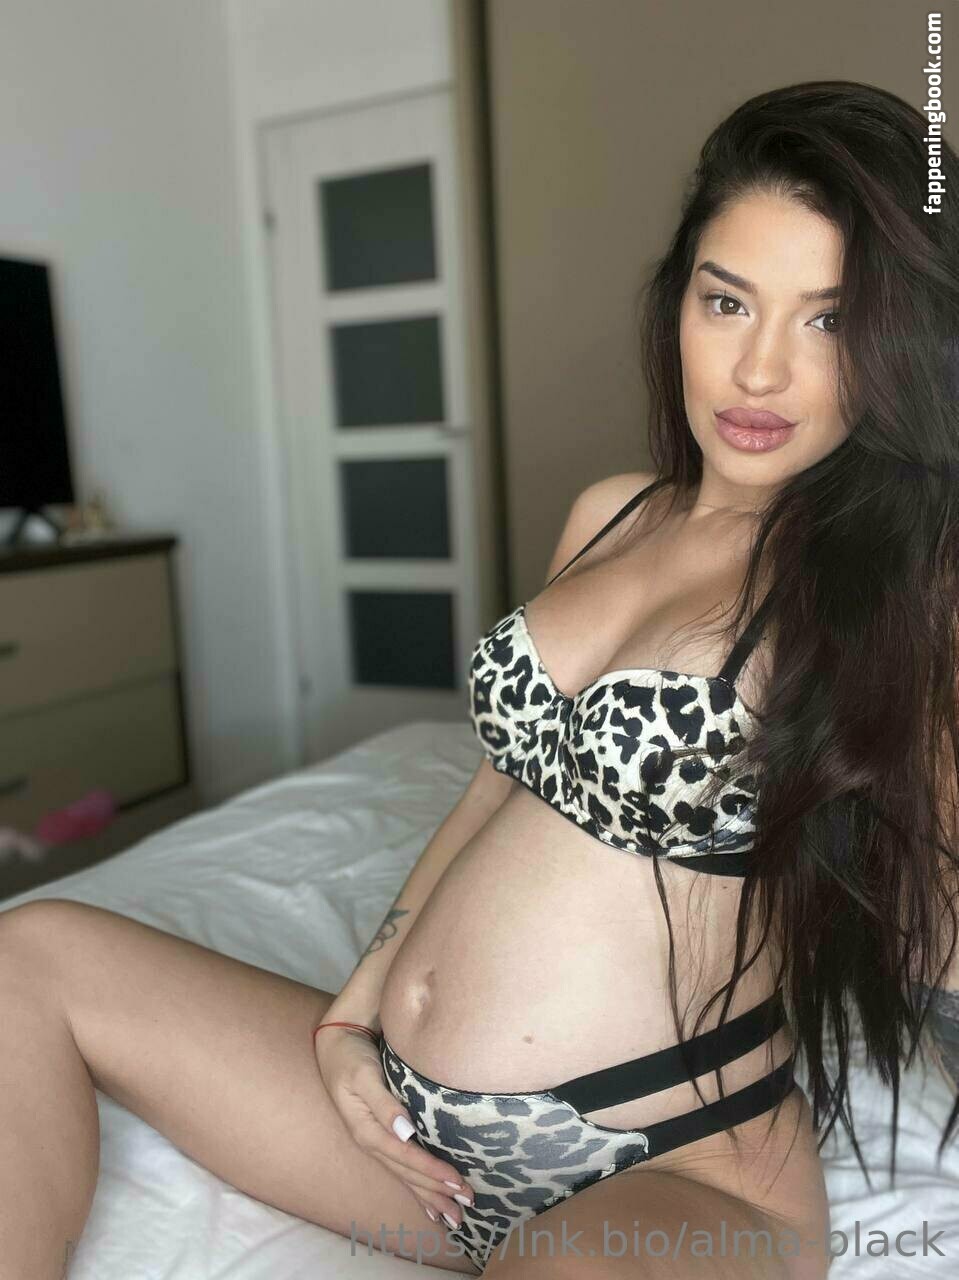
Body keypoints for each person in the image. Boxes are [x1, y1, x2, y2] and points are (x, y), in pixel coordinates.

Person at [2, 79, 957, 1280]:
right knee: (32, 951)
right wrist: (354, 1005)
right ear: (677, 301)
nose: (759, 368)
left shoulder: (890, 590)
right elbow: (500, 782)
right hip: (412, 1140)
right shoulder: (608, 513)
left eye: (825, 321)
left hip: (667, 1161)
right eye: (727, 300)